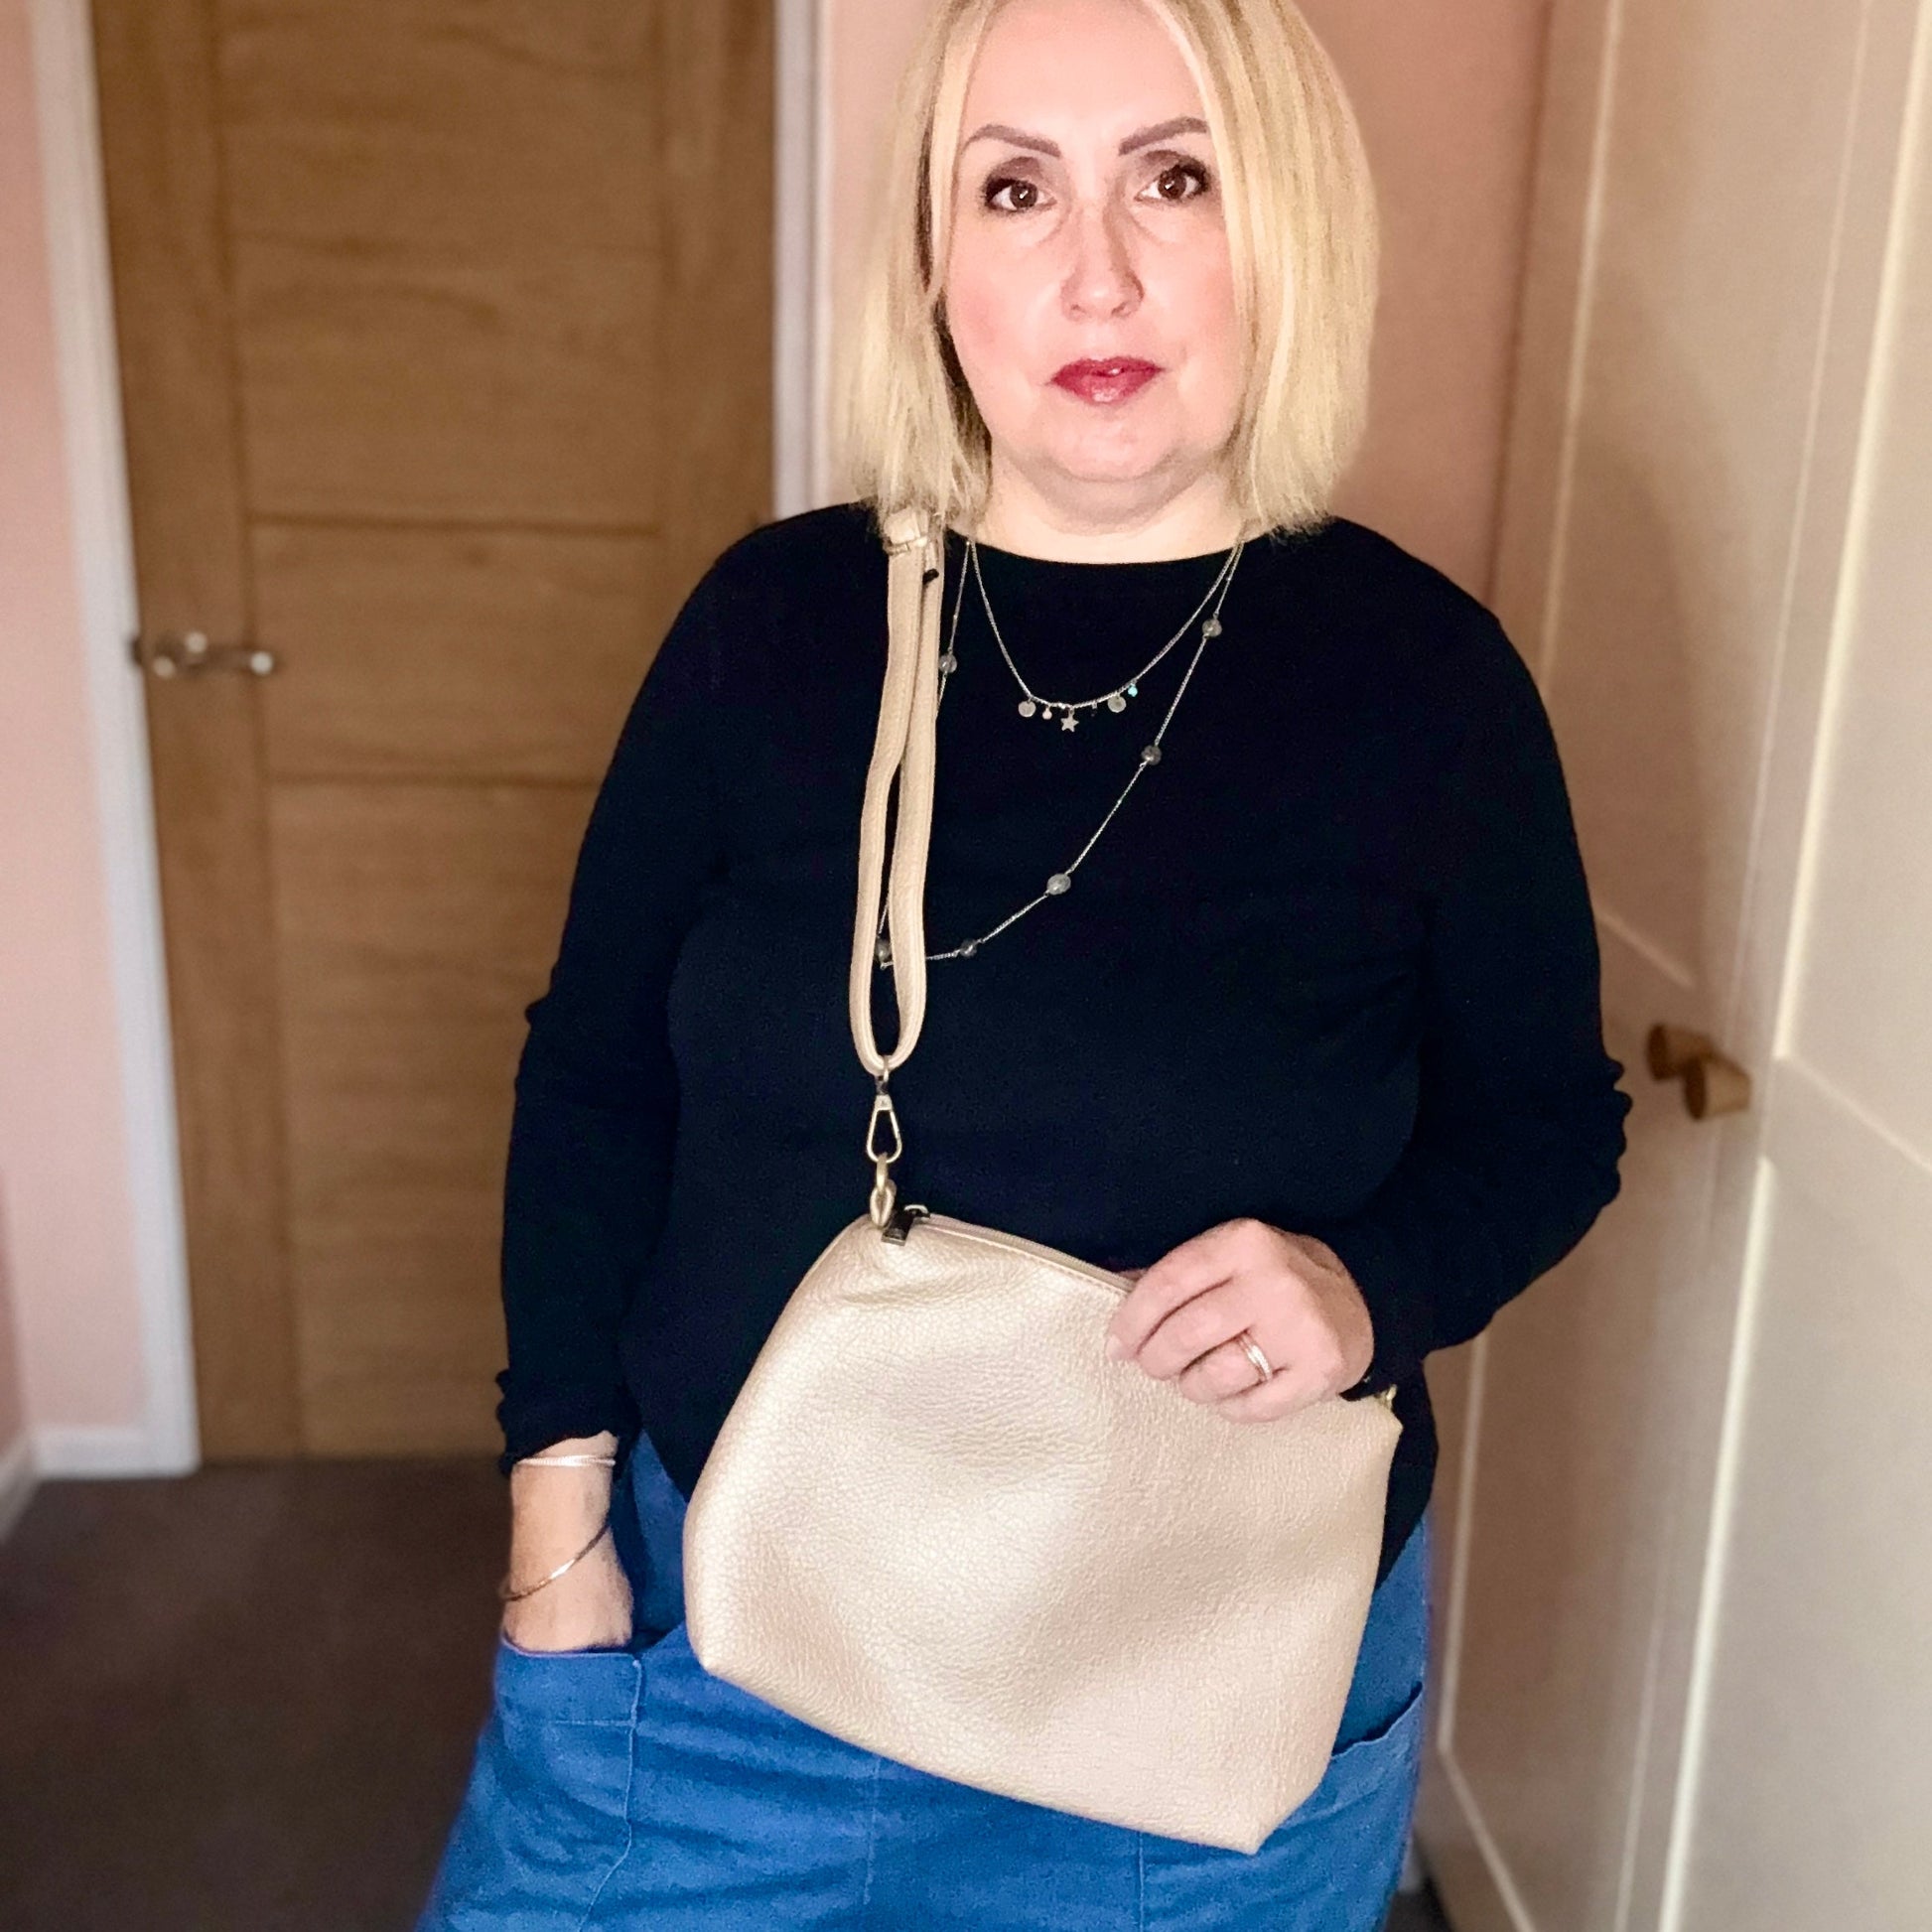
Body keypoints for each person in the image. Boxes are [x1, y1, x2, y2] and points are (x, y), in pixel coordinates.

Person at [417, 0, 1631, 1925]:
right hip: (717, 1659)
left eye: (1174, 176)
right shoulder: (773, 630)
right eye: (1012, 187)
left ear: (1283, 228)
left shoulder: (1427, 690)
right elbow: (593, 1082)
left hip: (1200, 1704)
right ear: (932, 258)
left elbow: (1553, 1125)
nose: (1095, 268)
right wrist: (554, 1527)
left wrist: (1367, 1281)